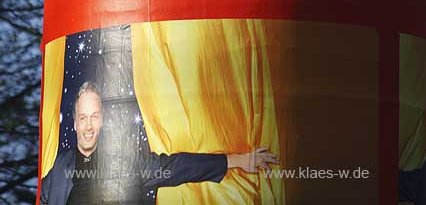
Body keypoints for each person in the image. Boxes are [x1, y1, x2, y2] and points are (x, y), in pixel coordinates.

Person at [40, 81, 278, 205]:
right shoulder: (61, 166)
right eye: (83, 118)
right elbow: (42, 197)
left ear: (102, 120)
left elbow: (178, 167)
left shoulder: (126, 163)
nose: (89, 126)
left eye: (94, 117)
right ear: (74, 122)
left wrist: (237, 160)